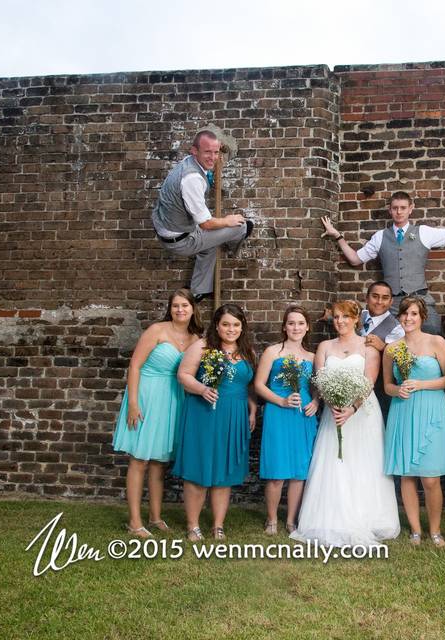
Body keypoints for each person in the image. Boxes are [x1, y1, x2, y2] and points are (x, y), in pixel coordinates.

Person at [320, 192, 445, 334]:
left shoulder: (424, 232)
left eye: (403, 208)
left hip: (421, 300)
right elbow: (355, 259)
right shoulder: (380, 237)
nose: (399, 212)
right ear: (390, 210)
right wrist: (338, 236)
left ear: (410, 209)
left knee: (432, 338)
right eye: (395, 208)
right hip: (392, 303)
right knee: (385, 346)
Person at [290, 300, 400, 546]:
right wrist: (333, 404)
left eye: (345, 317)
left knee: (363, 462)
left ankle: (367, 517)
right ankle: (332, 518)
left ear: (355, 320)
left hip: (363, 413)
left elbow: (369, 382)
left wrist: (351, 408)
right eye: (336, 317)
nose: (340, 321)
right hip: (334, 411)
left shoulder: (368, 345)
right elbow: (320, 379)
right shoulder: (325, 346)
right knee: (336, 462)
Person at [112, 288, 203, 538]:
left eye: (185, 305)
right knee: (139, 459)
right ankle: (134, 521)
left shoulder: (197, 339)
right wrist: (132, 402)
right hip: (147, 396)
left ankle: (155, 517)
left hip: (174, 399)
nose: (180, 310)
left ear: (193, 308)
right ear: (170, 309)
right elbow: (135, 365)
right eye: (176, 306)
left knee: (159, 463)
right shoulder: (157, 330)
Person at [172, 304, 257, 541]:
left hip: (235, 414)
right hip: (205, 413)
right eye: (226, 324)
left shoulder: (246, 350)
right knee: (199, 469)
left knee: (224, 471)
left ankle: (218, 525)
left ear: (242, 327)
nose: (231, 329)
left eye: (236, 325)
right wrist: (202, 389)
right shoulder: (203, 346)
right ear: (217, 325)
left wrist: (251, 409)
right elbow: (183, 375)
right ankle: (193, 525)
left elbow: (247, 385)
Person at [382, 296, 445, 547]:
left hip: (432, 410)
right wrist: (397, 390)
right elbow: (387, 386)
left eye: (413, 314)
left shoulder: (437, 342)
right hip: (403, 410)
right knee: (407, 475)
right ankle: (415, 530)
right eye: (404, 314)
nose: (408, 319)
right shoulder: (392, 348)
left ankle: (435, 530)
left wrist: (422, 384)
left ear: (422, 316)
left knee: (431, 477)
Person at [151, 128, 254, 302]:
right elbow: (206, 224)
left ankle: (199, 290)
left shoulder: (188, 162)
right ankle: (231, 244)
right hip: (180, 241)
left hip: (168, 227)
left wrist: (211, 164)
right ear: (194, 151)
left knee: (209, 245)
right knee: (243, 226)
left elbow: (206, 172)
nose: (212, 158)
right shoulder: (192, 178)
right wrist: (227, 221)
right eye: (207, 152)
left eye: (215, 152)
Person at [254, 306, 319, 535]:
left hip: (303, 416)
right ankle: (271, 519)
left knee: (299, 472)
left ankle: (291, 519)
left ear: (307, 327)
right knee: (277, 470)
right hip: (278, 412)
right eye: (291, 323)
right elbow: (259, 385)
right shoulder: (273, 352)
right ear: (284, 326)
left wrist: (316, 402)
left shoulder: (312, 357)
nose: (296, 328)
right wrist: (280, 401)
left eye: (301, 323)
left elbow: (317, 387)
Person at [360, 280, 404, 416]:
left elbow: (401, 362)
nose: (379, 301)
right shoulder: (358, 316)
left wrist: (384, 347)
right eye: (375, 296)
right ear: (367, 298)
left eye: (385, 298)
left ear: (391, 302)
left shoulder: (397, 328)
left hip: (378, 391)